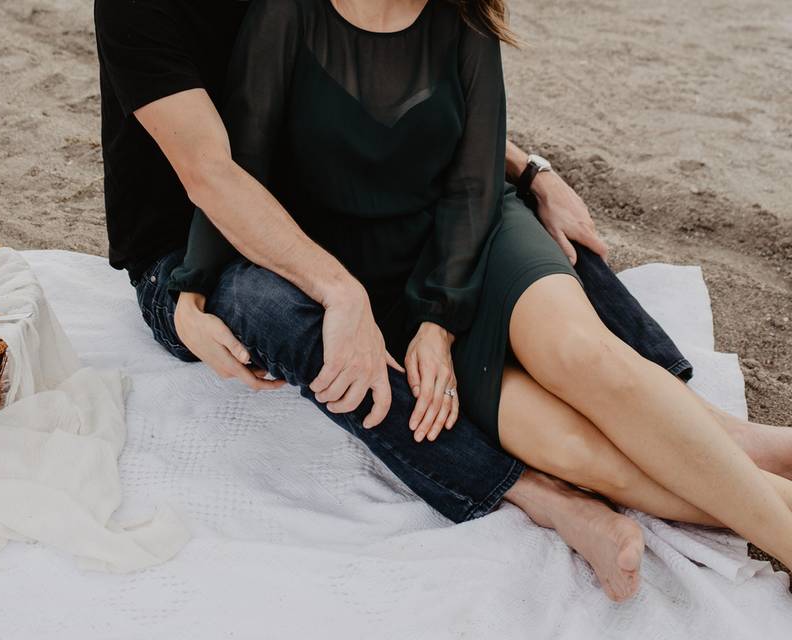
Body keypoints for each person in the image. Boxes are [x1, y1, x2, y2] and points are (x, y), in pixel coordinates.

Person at [94, 0, 792, 602]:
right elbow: (217, 173)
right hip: (205, 242)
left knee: (578, 341)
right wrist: (195, 289)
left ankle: (748, 467)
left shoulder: (459, 21)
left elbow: (435, 112)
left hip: (401, 229)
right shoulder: (188, 12)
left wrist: (529, 173)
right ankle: (555, 495)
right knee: (552, 437)